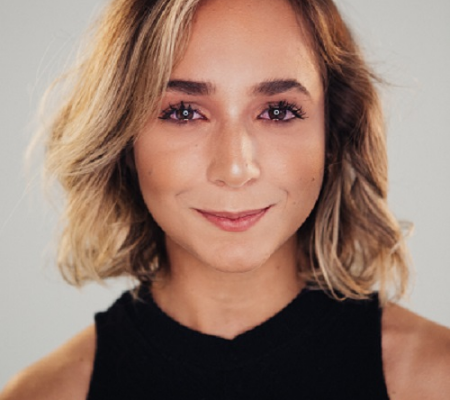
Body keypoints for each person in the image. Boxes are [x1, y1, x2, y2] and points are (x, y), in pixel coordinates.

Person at [1, 0, 450, 399]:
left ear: (332, 132)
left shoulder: (435, 380)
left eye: (277, 111)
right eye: (184, 112)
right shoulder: (42, 395)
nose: (235, 169)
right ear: (123, 138)